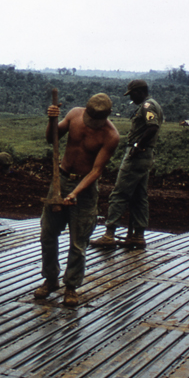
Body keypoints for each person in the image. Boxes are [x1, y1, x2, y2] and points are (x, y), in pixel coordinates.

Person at [35, 94, 120, 307]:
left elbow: (96, 170)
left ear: (108, 115)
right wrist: (52, 119)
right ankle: (51, 279)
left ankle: (71, 286)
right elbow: (50, 138)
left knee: (78, 240)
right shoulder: (74, 115)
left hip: (85, 187)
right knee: (48, 233)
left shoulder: (111, 135)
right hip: (60, 178)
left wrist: (76, 193)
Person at [90, 79, 163, 249]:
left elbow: (152, 127)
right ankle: (137, 236)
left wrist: (137, 146)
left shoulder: (147, 106)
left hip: (137, 156)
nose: (132, 98)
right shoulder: (153, 105)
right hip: (146, 156)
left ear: (139, 92)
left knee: (119, 194)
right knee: (139, 196)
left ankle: (109, 235)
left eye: (132, 94)